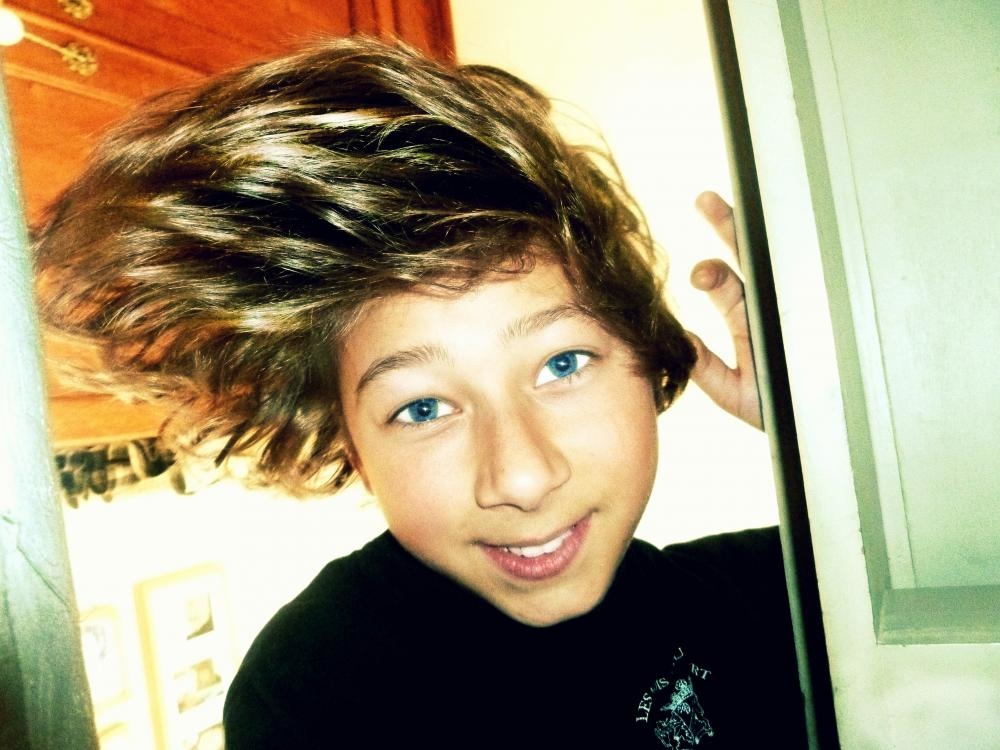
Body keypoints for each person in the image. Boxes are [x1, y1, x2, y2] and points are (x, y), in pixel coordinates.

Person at [33, 37, 804, 747]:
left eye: (562, 364)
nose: (521, 478)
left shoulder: (780, 594)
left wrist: (830, 433)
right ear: (352, 447)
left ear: (648, 354)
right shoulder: (319, 691)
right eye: (423, 408)